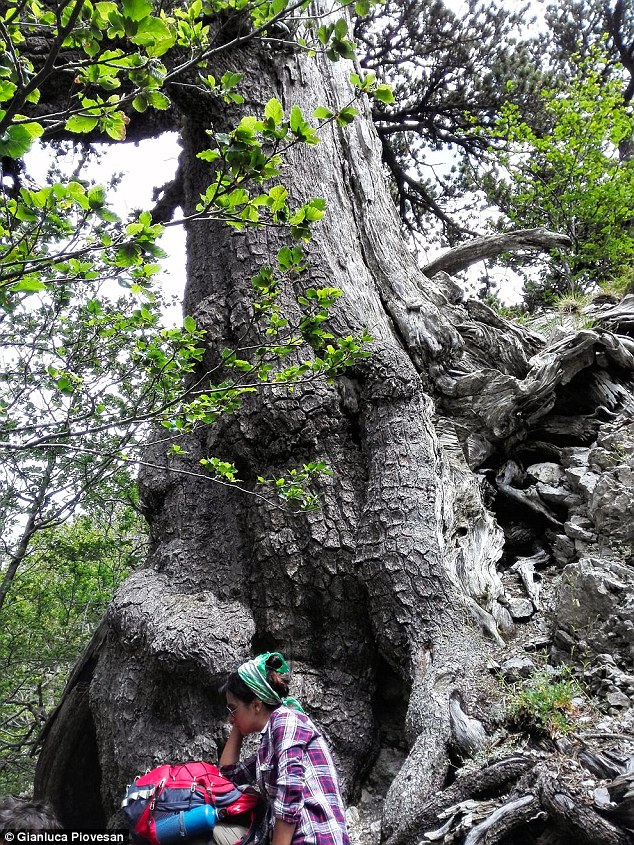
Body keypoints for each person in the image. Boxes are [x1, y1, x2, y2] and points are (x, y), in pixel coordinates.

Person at [219, 653, 350, 845]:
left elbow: (290, 790)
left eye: (232, 708)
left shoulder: (285, 720)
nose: (229, 718)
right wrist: (237, 723)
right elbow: (227, 775)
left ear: (256, 704)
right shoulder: (268, 745)